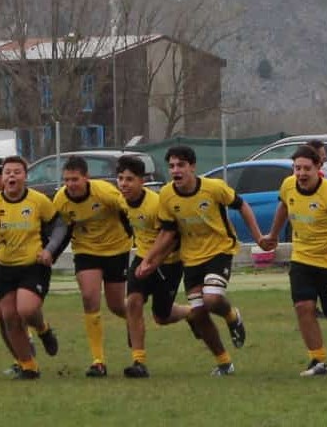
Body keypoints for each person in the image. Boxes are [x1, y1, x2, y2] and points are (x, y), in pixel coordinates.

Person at [134, 146, 265, 376]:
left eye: (181, 165)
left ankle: (231, 315)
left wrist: (258, 237)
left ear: (192, 167)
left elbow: (242, 205)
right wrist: (150, 260)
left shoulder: (213, 188)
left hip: (219, 250)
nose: (176, 170)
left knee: (212, 299)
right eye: (172, 166)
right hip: (191, 257)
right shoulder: (167, 194)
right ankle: (224, 363)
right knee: (198, 312)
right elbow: (168, 232)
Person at [260, 145, 327, 377]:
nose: (301, 173)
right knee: (303, 306)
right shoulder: (288, 185)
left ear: (318, 167)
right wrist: (273, 235)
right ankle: (319, 360)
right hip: (302, 259)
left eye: (306, 168)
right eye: (297, 168)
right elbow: (284, 205)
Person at [0, 156, 68, 380]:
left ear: (25, 176)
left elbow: (60, 226)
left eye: (17, 172)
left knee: (27, 310)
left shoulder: (38, 200)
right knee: (9, 317)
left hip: (33, 266)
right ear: (4, 178)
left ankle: (43, 329)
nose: (12, 176)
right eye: (8, 172)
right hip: (3, 267)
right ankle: (29, 366)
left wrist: (49, 250)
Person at [53, 155, 135, 377]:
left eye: (75, 179)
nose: (70, 184)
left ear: (86, 177)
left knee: (116, 305)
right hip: (86, 251)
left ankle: (133, 319)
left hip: (116, 249)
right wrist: (51, 254)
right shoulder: (61, 200)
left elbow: (128, 212)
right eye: (67, 180)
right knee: (90, 297)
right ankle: (98, 361)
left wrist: (136, 237)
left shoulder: (105, 192)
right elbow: (62, 230)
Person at [116, 155, 194, 378]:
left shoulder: (156, 204)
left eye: (129, 179)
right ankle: (138, 362)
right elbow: (126, 221)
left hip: (168, 263)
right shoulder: (121, 201)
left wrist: (154, 262)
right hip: (143, 257)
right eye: (120, 179)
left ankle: (190, 313)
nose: (123, 184)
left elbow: (174, 238)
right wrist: (144, 259)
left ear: (142, 181)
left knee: (162, 316)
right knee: (133, 302)